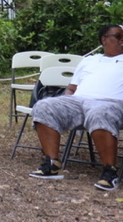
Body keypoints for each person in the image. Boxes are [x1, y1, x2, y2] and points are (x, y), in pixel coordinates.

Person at [29, 24, 123, 190]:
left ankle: (110, 172)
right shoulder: (90, 60)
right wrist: (63, 107)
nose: (122, 40)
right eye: (118, 36)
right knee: (44, 105)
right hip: (79, 100)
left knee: (99, 112)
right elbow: (72, 89)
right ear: (104, 39)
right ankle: (52, 163)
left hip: (112, 102)